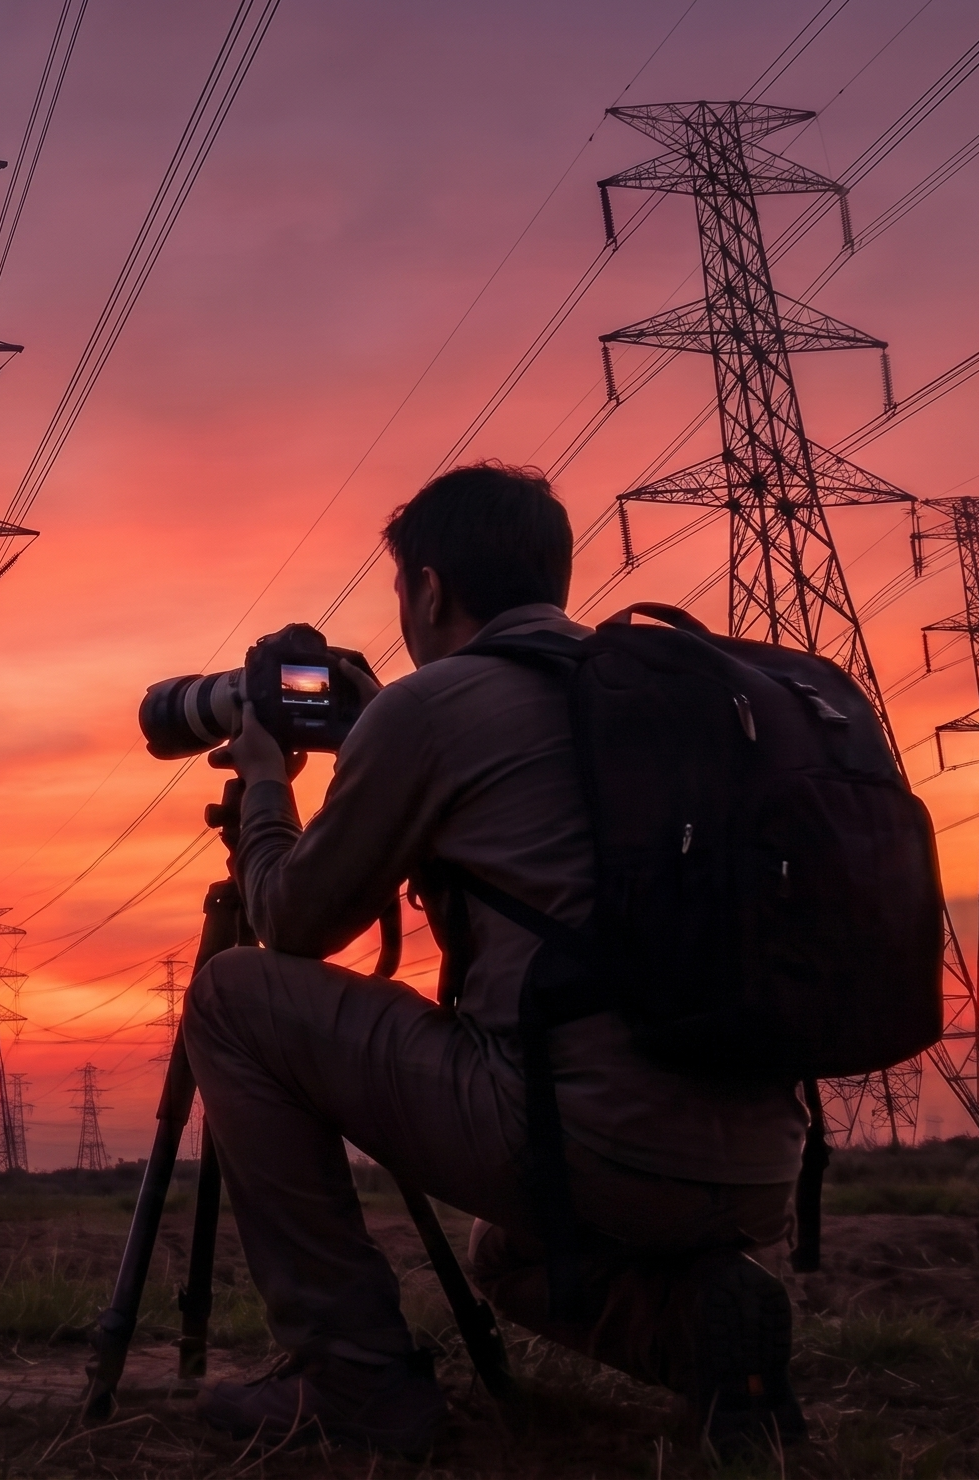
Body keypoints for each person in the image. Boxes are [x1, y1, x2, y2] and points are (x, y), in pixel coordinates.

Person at [182, 462, 809, 1457]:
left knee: (231, 998)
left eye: (402, 595)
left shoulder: (433, 707)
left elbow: (289, 926)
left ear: (428, 588)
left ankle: (353, 1385)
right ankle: (698, 1324)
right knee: (513, 1257)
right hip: (758, 1160)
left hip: (579, 1144)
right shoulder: (666, 700)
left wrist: (267, 787)